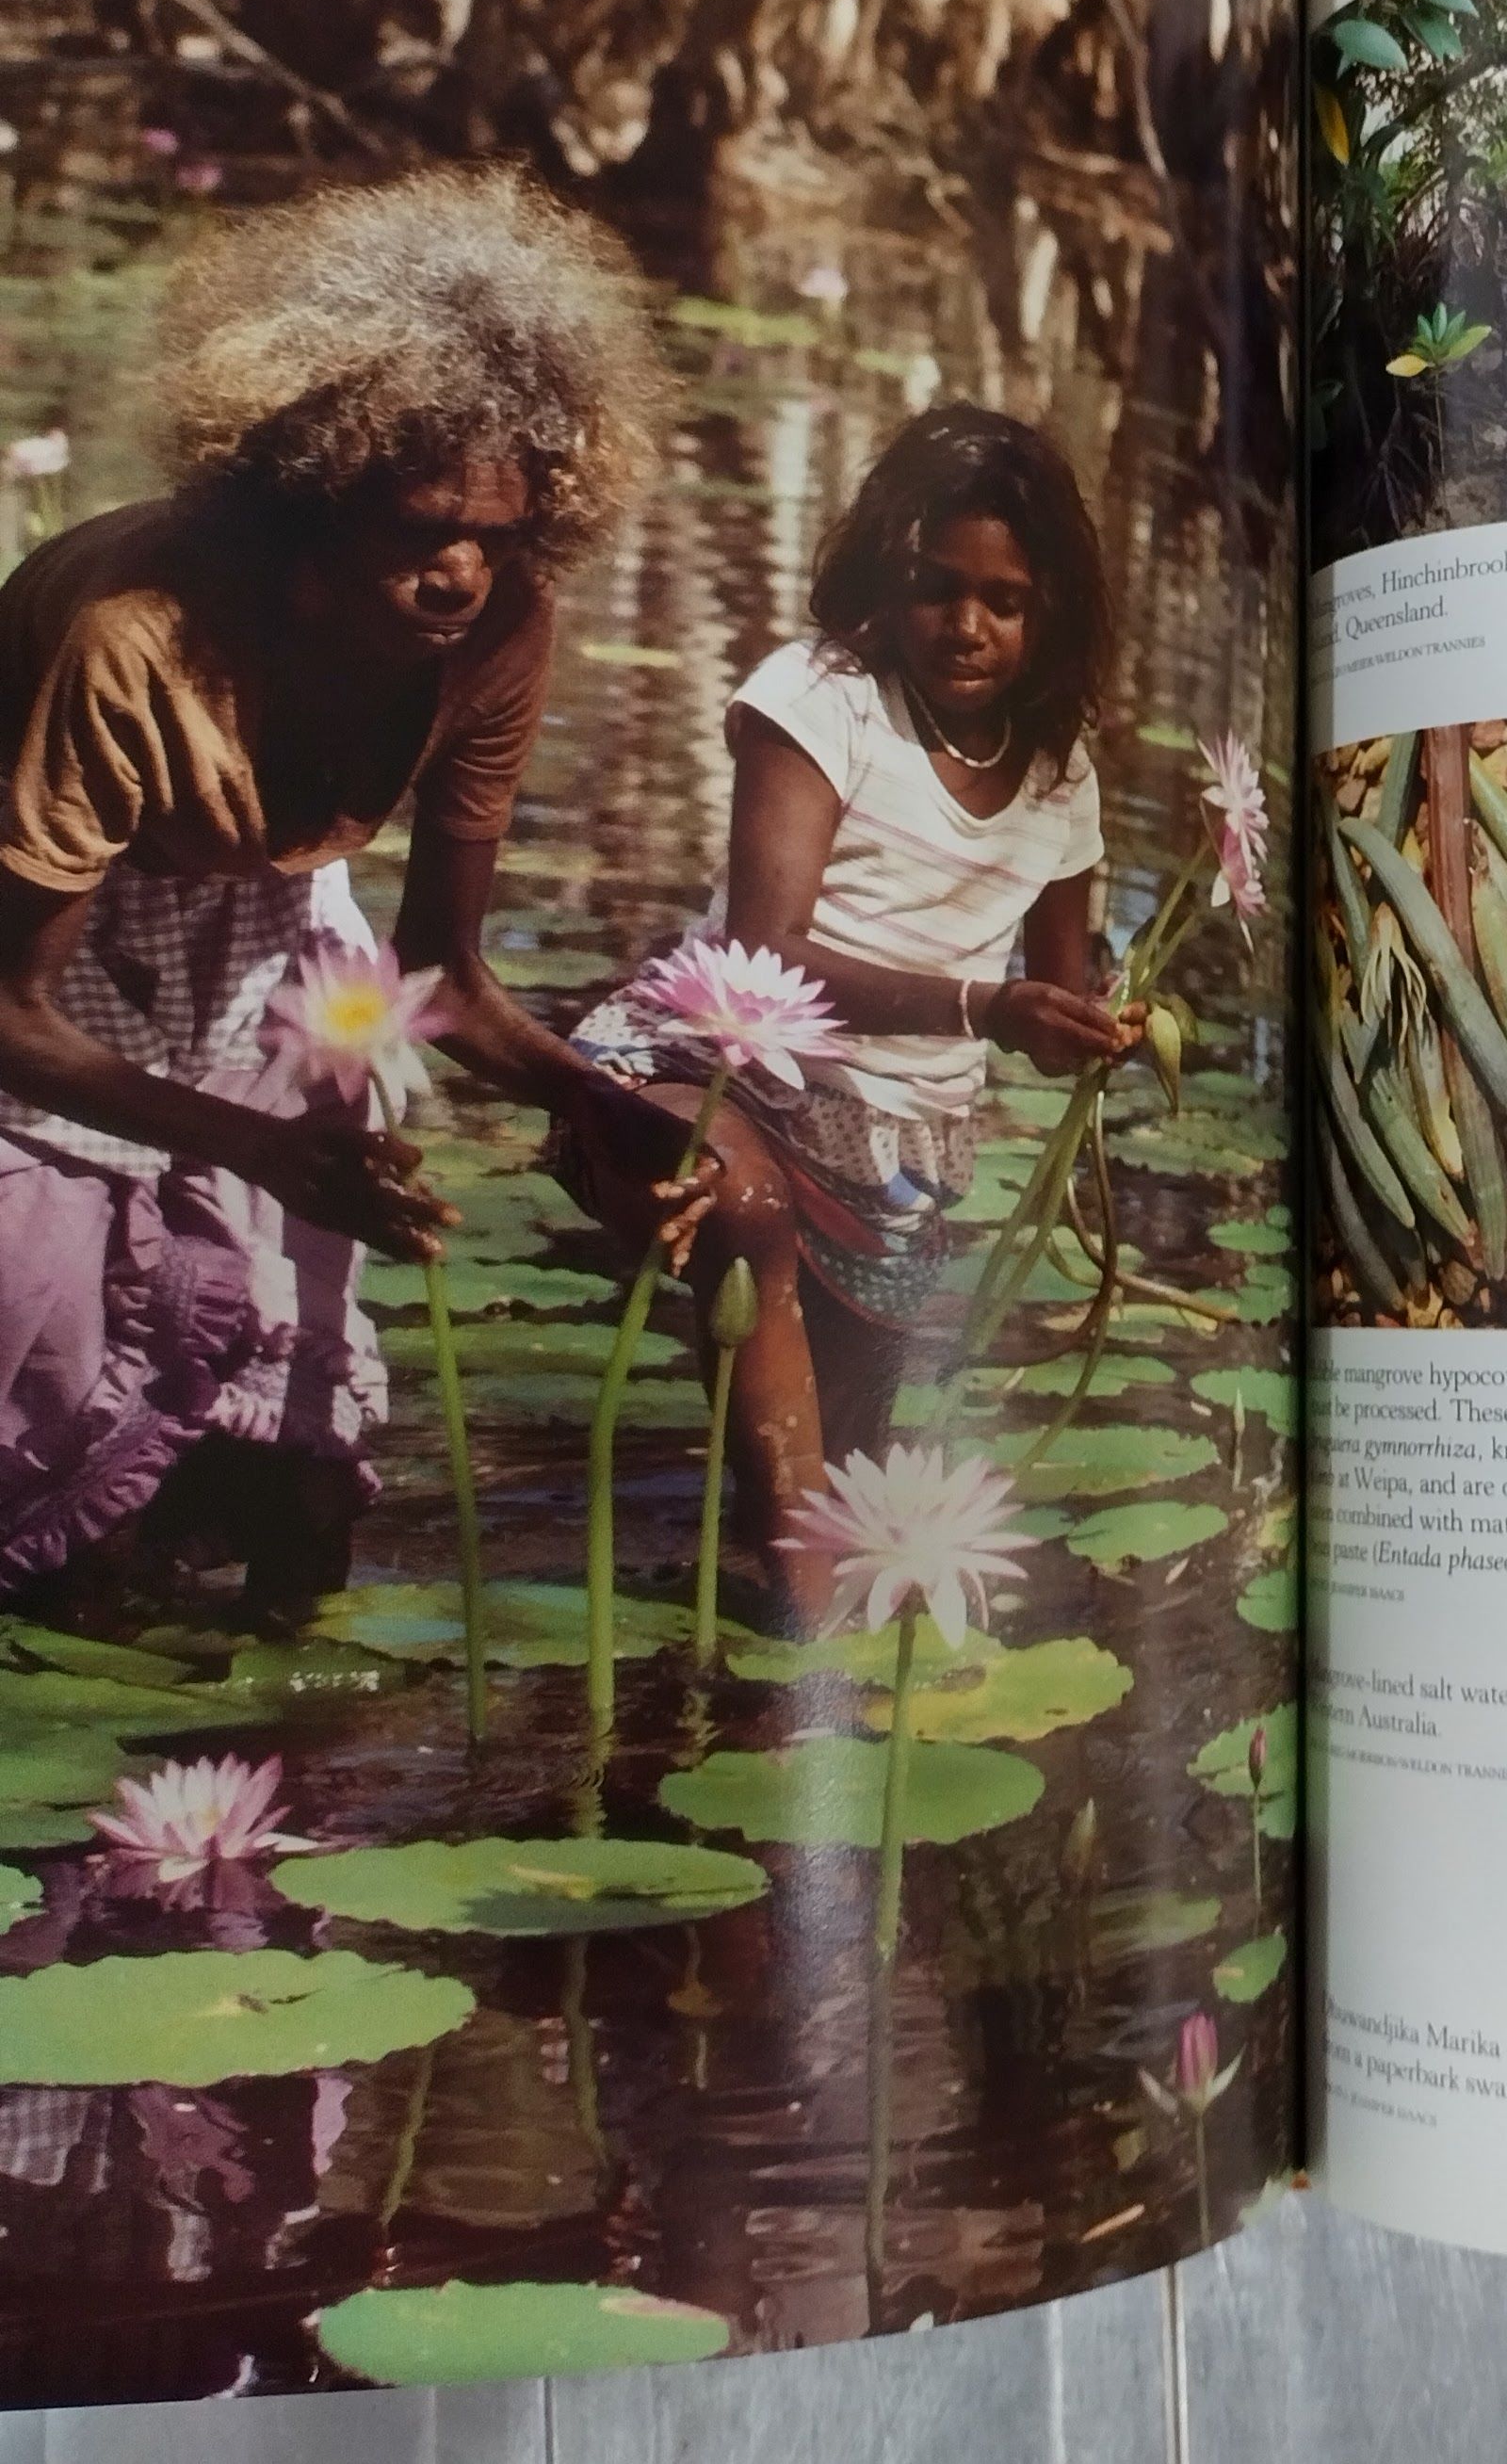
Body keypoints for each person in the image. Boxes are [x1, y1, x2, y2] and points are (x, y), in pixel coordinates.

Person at [0, 167, 696, 1625]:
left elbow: (443, 970)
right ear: (303, 514)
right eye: (416, 528)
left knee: (289, 1450)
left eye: (494, 535)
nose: (457, 570)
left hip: (263, 913)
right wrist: (251, 1144)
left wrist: (591, 1096)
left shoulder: (501, 627)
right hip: (49, 943)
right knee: (50, 1370)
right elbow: (12, 1016)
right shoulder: (138, 640)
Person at [567, 407, 1136, 1589]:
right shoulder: (820, 694)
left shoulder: (1061, 766)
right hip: (723, 1071)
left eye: (1005, 600)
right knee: (751, 1238)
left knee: (833, 1479)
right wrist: (989, 1005)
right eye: (938, 588)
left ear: (1051, 613)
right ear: (892, 572)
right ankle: (799, 1647)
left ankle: (743, 1680)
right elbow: (767, 948)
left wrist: (1095, 1016)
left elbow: (1057, 993)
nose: (966, 626)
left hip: (895, 1153)